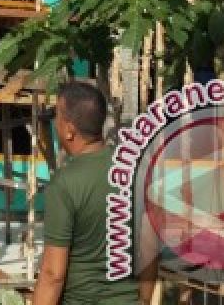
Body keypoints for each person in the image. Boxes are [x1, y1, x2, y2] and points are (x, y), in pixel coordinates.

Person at [34, 80, 154, 305]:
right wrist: (144, 300)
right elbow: (149, 250)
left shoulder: (64, 184)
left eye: (56, 116)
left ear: (70, 130)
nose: (54, 122)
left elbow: (53, 274)